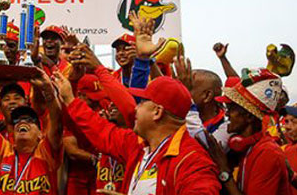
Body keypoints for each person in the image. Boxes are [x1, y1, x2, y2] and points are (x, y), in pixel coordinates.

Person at [57, 71, 221, 195]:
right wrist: (70, 100)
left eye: (142, 102)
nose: (135, 108)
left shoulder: (192, 162)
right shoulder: (138, 144)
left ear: (157, 112)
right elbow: (101, 131)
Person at [0, 69, 63, 195]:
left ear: (41, 134)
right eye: (17, 120)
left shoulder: (46, 153)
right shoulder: (4, 152)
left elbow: (57, 122)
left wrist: (49, 91)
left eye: (29, 120)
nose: (22, 122)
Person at [209, 68, 291, 195]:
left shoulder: (267, 153)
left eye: (231, 109)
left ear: (249, 117)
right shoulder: (250, 148)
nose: (227, 113)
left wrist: (224, 171)